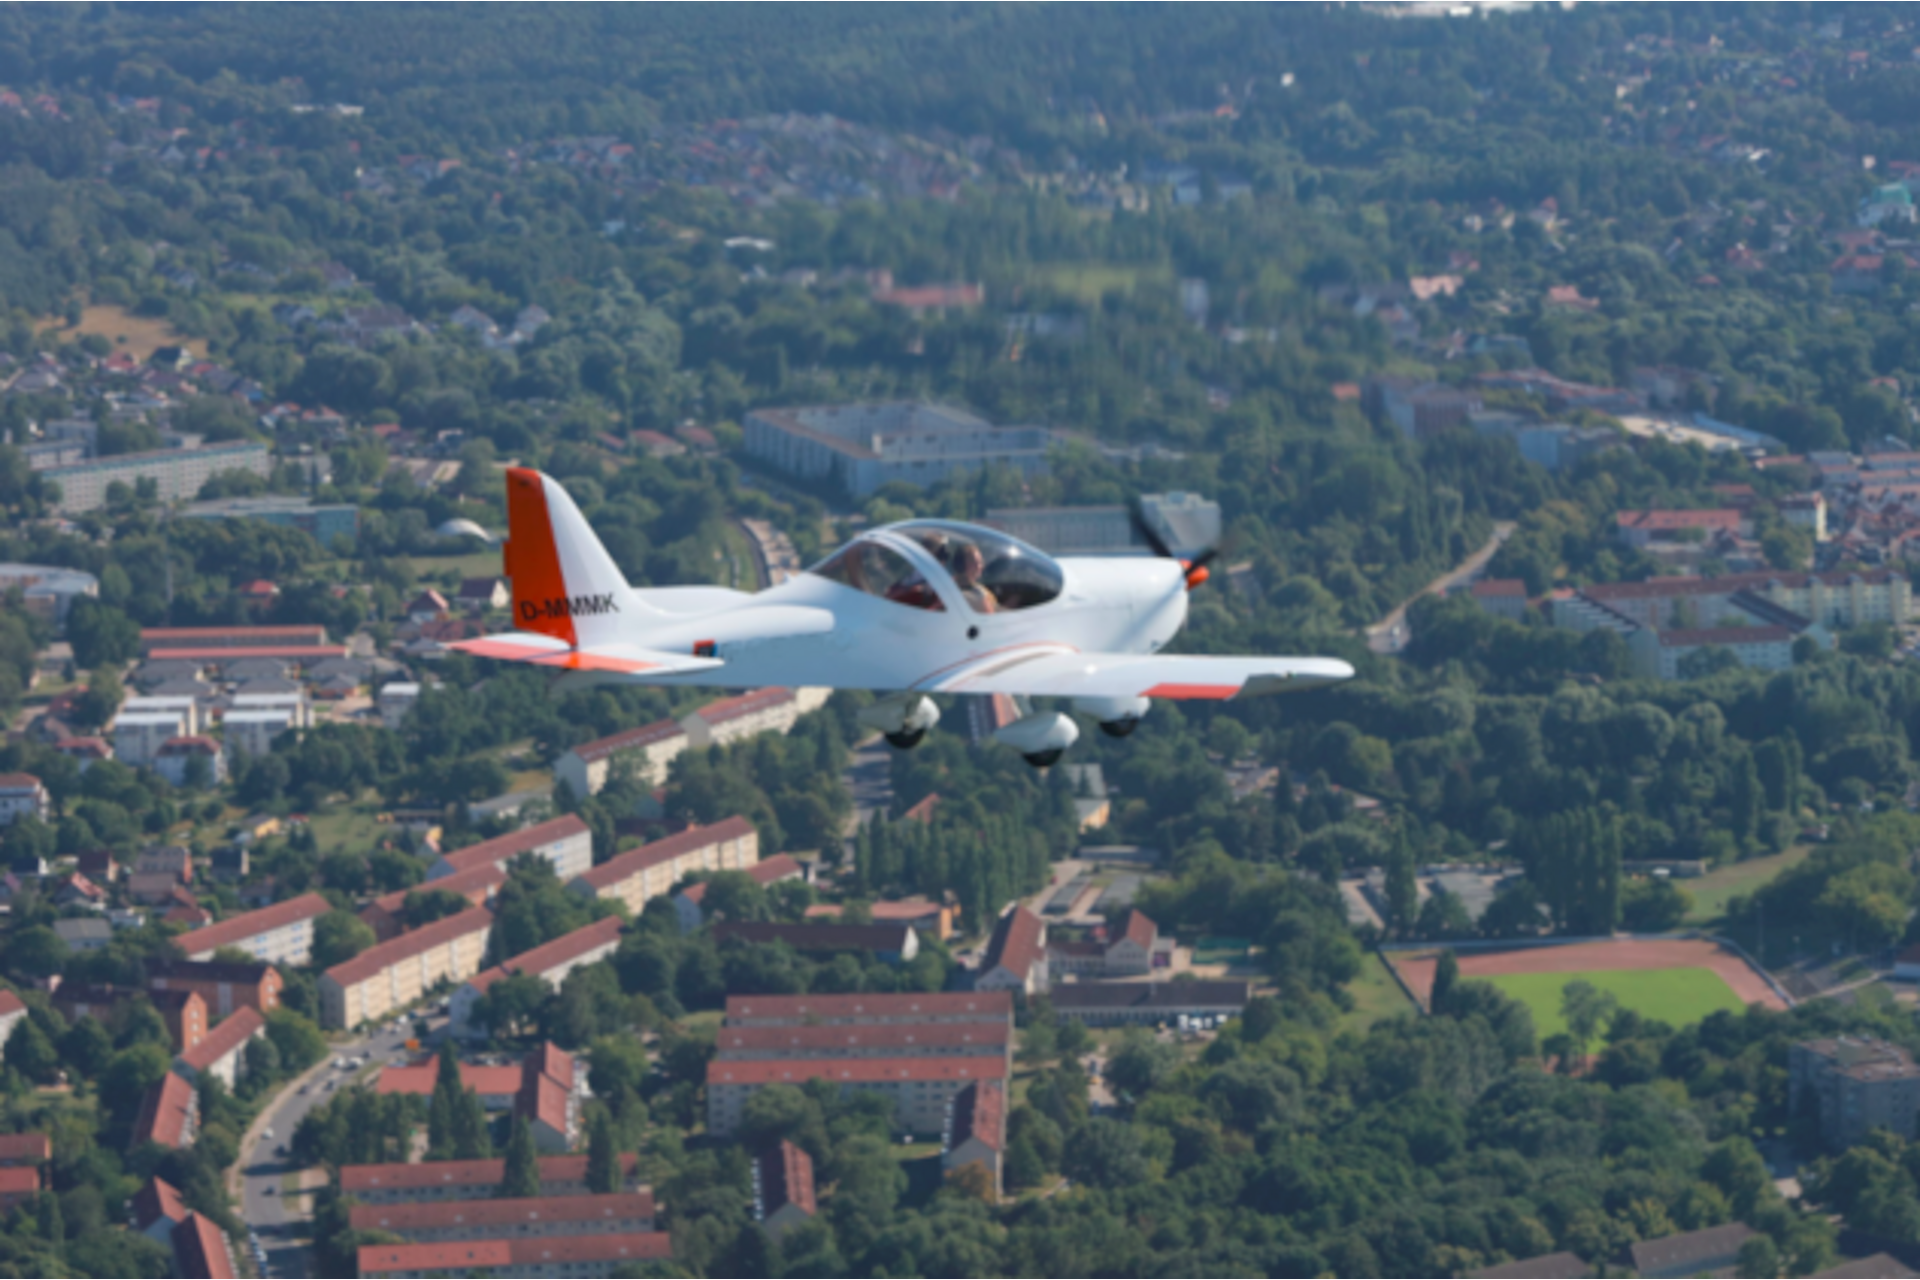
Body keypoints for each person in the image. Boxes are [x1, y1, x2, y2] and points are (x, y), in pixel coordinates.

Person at [951, 542, 998, 613]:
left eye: (980, 562)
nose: (980, 566)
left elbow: (996, 608)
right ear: (961, 565)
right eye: (975, 562)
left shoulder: (980, 590)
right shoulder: (977, 596)